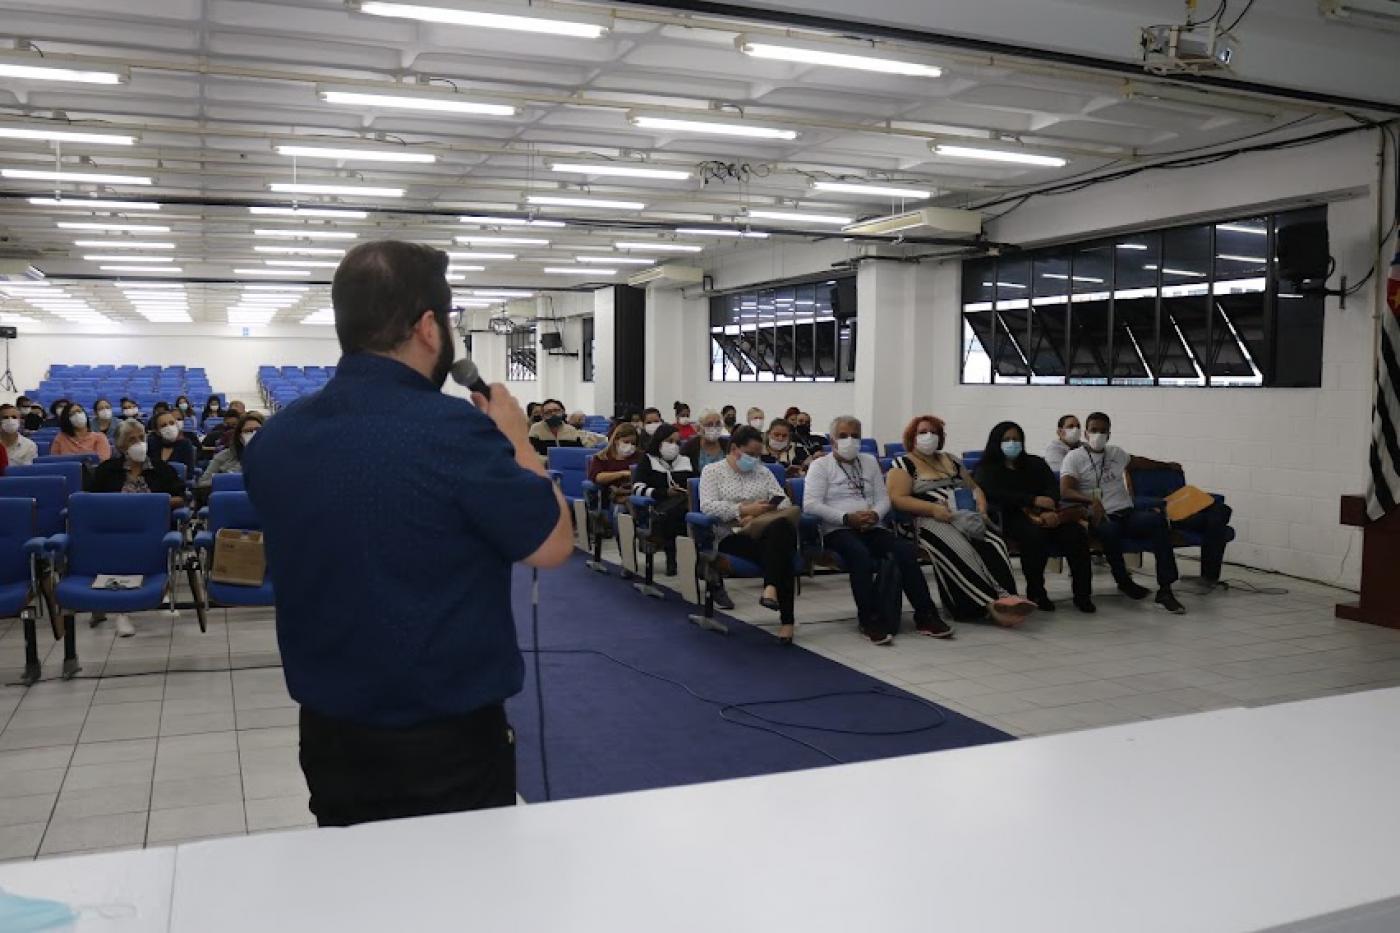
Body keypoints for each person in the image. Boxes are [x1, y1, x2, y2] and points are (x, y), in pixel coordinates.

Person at [244, 240, 573, 828]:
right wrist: (517, 439)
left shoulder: (277, 438)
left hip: (329, 734)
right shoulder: (453, 432)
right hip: (445, 744)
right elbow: (551, 545)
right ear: (428, 327)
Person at [804, 416, 947, 644]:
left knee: (905, 551)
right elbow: (810, 504)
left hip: (873, 526)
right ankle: (869, 619)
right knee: (859, 555)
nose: (849, 440)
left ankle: (926, 615)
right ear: (832, 440)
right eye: (843, 436)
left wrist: (876, 514)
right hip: (838, 530)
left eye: (855, 436)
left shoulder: (869, 461)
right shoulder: (820, 466)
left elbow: (883, 498)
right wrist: (846, 518)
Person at [887, 415, 1035, 626]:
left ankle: (1008, 596)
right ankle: (989, 603)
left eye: (934, 432)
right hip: (928, 519)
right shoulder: (902, 464)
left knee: (995, 543)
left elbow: (974, 488)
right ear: (913, 437)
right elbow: (898, 499)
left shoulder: (951, 460)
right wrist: (933, 509)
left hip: (964, 515)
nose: (929, 436)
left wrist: (981, 508)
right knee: (960, 547)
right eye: (922, 432)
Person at [1060, 413, 1207, 614]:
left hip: (1127, 514)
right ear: (1086, 433)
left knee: (1157, 521)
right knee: (1109, 530)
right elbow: (1065, 490)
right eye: (1094, 430)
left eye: (1103, 431)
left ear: (1109, 434)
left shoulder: (1116, 453)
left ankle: (1165, 589)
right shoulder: (1074, 457)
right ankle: (1124, 581)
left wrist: (1167, 466)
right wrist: (1091, 501)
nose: (1098, 434)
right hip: (1100, 516)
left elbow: (1139, 462)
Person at [975, 421, 1095, 614]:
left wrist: (1048, 507)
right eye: (1007, 439)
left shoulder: (1035, 463)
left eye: (1016, 439)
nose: (1012, 443)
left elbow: (1052, 488)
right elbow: (993, 494)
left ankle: (1083, 595)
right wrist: (1032, 500)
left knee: (1076, 534)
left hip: (1047, 513)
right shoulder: (987, 468)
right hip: (1010, 516)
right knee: (1034, 536)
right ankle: (1037, 591)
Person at [699, 425, 798, 643]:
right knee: (782, 552)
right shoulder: (713, 471)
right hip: (731, 536)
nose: (755, 459)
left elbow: (784, 501)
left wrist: (760, 512)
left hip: (763, 530)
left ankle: (771, 588)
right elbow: (707, 506)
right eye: (750, 454)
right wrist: (742, 510)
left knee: (780, 531)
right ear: (735, 449)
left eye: (757, 455)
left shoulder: (762, 471)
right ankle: (786, 619)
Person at [90, 419, 185, 637]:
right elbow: (91, 501)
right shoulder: (107, 471)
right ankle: (121, 610)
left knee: (161, 543)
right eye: (131, 439)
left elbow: (181, 497)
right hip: (116, 530)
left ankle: (161, 591)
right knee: (119, 550)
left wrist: (160, 502)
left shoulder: (161, 469)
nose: (138, 443)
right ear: (121, 446)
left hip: (154, 529)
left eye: (141, 438)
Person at [631, 422, 697, 578]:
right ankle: (672, 558)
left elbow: (694, 483)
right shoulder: (648, 459)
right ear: (659, 441)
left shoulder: (685, 461)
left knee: (679, 509)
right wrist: (663, 493)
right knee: (676, 513)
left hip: (682, 503)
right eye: (670, 441)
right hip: (658, 503)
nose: (674, 445)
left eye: (677, 442)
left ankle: (671, 552)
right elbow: (637, 488)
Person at [198, 412, 263, 500]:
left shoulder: (276, 457)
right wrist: (226, 478)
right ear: (240, 436)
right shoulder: (223, 456)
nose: (253, 434)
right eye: (248, 431)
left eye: (258, 430)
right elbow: (202, 483)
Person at [586, 422, 642, 502]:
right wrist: (622, 473)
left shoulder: (639, 456)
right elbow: (597, 477)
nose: (630, 446)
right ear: (616, 440)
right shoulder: (602, 457)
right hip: (611, 496)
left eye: (633, 443)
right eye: (626, 442)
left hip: (635, 492)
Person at [149, 410, 197, 477]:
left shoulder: (186, 444)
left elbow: (189, 473)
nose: (169, 427)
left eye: (172, 423)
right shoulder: (152, 444)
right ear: (157, 431)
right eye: (164, 425)